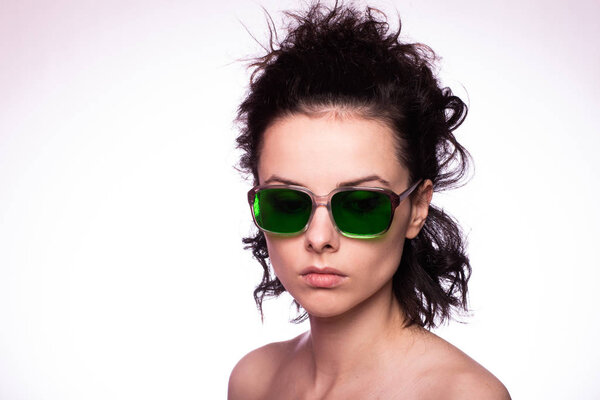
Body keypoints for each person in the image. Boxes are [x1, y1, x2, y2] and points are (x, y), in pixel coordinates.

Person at [229, 2, 511, 398]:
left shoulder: (460, 395)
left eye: (361, 205)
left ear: (418, 207)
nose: (319, 238)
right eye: (288, 203)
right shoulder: (254, 380)